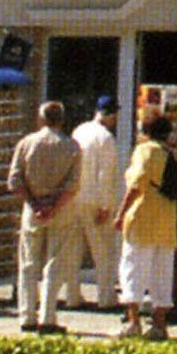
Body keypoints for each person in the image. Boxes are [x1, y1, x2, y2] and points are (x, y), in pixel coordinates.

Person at [7, 99, 83, 333]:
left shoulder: (26, 143)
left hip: (33, 208)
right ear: (62, 120)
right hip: (61, 209)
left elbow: (14, 181)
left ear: (41, 119)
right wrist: (53, 207)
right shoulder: (72, 147)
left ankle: (26, 316)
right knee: (55, 263)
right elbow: (72, 185)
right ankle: (48, 317)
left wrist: (34, 204)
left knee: (28, 262)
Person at [113, 112, 177, 340]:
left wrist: (121, 213)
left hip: (142, 218)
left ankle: (133, 322)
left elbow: (137, 184)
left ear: (145, 131)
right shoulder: (171, 155)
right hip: (166, 221)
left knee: (133, 270)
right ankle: (159, 325)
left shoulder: (145, 150)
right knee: (161, 273)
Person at [64, 94, 122, 311]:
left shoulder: (79, 131)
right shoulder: (106, 138)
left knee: (73, 250)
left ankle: (72, 296)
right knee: (103, 251)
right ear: (111, 115)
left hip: (74, 198)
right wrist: (106, 206)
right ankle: (106, 297)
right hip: (95, 200)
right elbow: (105, 175)